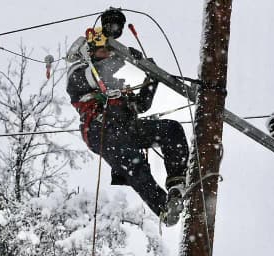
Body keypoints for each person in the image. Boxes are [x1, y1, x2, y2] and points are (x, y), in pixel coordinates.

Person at [66, 28, 190, 226]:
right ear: (89, 53)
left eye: (109, 51)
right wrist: (125, 57)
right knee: (136, 166)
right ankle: (163, 209)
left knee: (170, 130)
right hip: (101, 130)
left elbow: (140, 105)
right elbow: (99, 73)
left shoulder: (114, 85)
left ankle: (177, 185)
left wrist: (152, 77)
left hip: (125, 128)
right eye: (103, 51)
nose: (108, 55)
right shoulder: (77, 72)